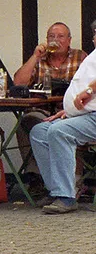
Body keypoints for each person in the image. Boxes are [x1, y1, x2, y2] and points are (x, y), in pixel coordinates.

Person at [29, 19, 96, 214]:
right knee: (39, 131)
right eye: (94, 33)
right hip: (84, 114)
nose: (94, 37)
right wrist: (70, 110)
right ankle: (56, 190)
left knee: (59, 131)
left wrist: (89, 91)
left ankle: (66, 197)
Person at [13, 22, 87, 178]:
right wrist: (35, 56)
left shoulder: (80, 57)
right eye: (51, 37)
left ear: (69, 40)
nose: (56, 40)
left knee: (65, 128)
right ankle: (37, 177)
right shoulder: (41, 59)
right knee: (26, 122)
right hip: (42, 110)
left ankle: (73, 178)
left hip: (69, 111)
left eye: (61, 36)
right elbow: (18, 82)